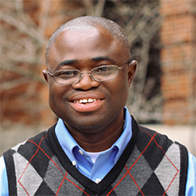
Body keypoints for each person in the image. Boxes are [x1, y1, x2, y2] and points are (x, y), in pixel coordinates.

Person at [0, 16, 195, 196]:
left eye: (102, 69)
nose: (85, 83)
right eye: (67, 73)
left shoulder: (181, 170)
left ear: (129, 75)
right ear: (48, 81)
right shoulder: (12, 173)